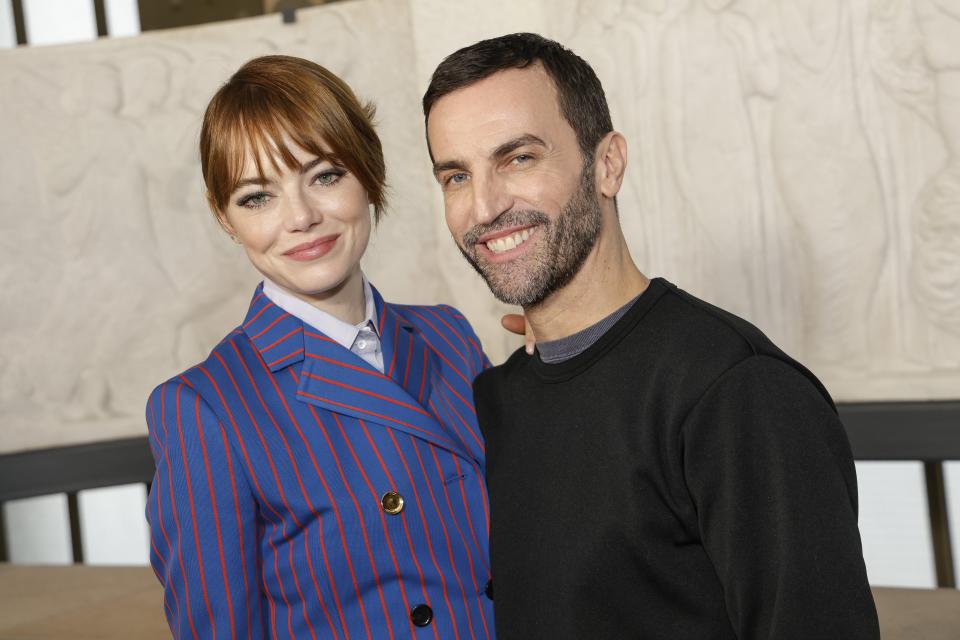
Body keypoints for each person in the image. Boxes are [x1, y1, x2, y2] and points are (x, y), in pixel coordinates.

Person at [422, 33, 880, 639]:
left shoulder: (736, 391)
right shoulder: (490, 404)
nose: (483, 207)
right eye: (456, 176)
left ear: (607, 163)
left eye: (519, 158)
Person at [146, 55, 493, 639]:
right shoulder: (203, 408)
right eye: (257, 197)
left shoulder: (448, 338)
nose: (302, 217)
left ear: (368, 174)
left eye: (325, 175)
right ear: (225, 219)